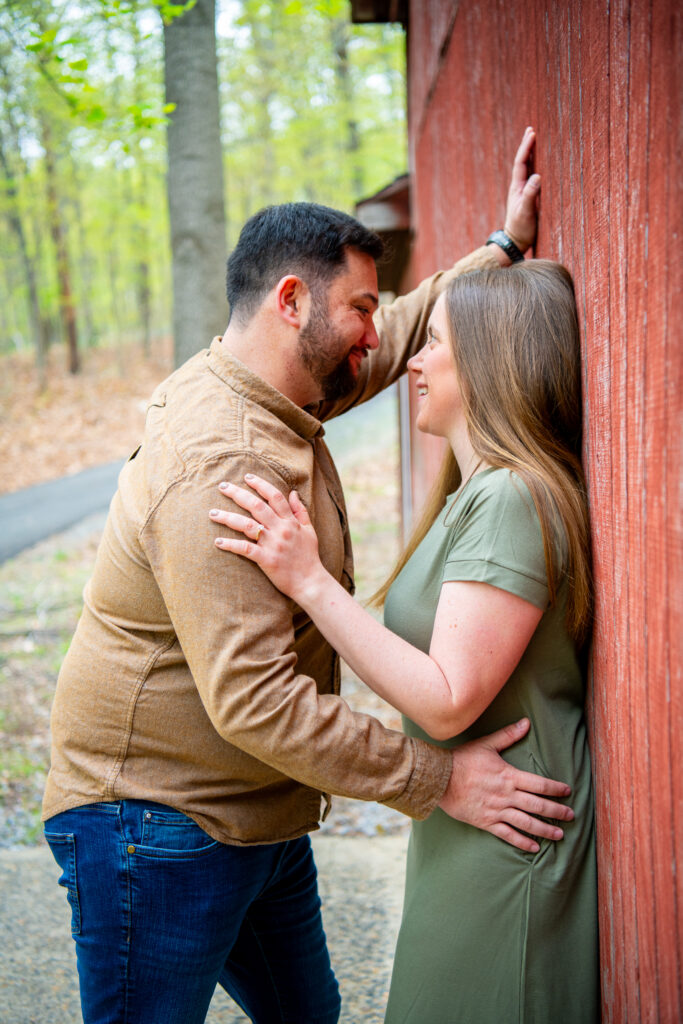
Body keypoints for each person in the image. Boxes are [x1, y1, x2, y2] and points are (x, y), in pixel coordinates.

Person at [43, 130, 575, 1024]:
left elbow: (407, 334)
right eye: (360, 309)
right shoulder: (224, 461)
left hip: (256, 804)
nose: (379, 335)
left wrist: (503, 250)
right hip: (154, 821)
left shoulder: (276, 380)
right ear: (292, 302)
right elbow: (254, 702)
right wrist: (435, 778)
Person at [210, 261, 599, 1021]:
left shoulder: (512, 497)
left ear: (493, 362)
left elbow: (447, 700)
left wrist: (309, 580)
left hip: (509, 830)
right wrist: (502, 242)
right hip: (469, 819)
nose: (412, 361)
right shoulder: (473, 492)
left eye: (434, 343)